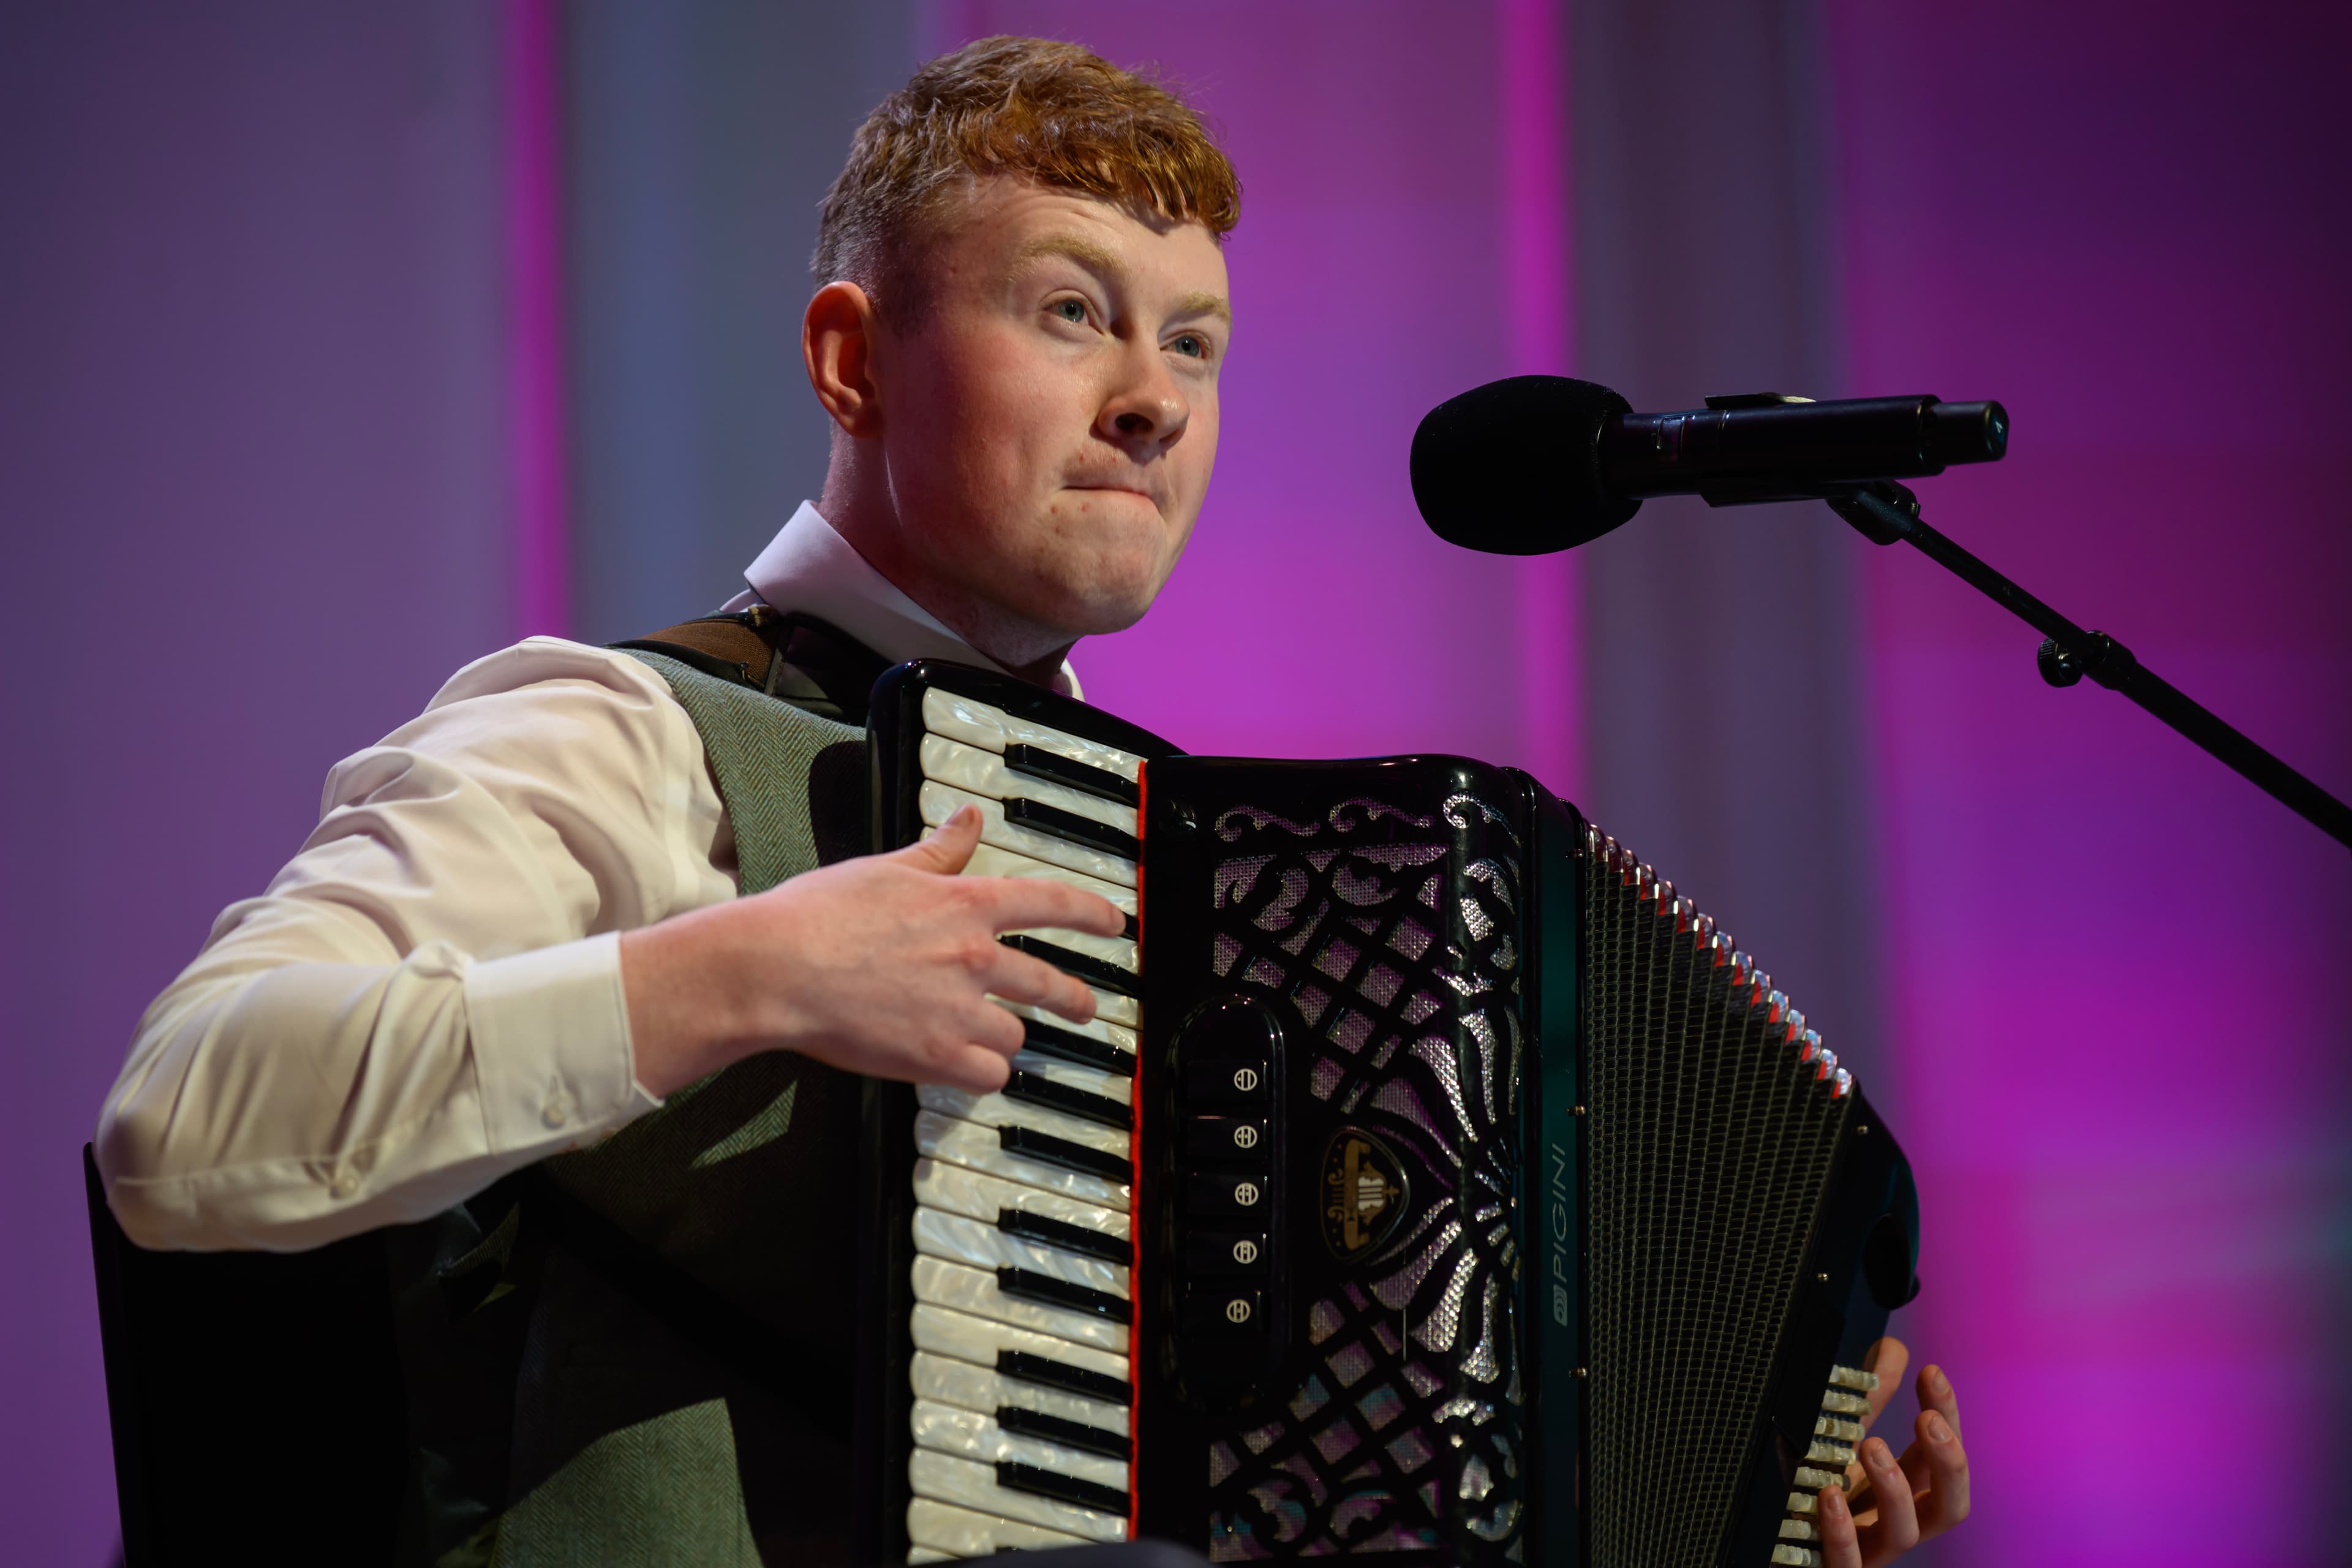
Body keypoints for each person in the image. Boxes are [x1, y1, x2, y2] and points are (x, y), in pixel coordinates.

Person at [94, 36, 1967, 1568]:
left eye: (1195, 342)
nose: (1151, 398)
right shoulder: (612, 734)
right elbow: (181, 1129)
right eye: (1073, 311)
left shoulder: (1212, 876)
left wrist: (1743, 1526)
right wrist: (745, 973)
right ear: (852, 359)